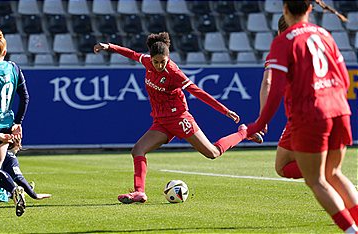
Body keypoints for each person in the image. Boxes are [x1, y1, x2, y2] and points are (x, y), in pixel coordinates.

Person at [94, 32, 263, 204]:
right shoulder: (146, 62)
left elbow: (198, 92)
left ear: (168, 58)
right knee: (138, 150)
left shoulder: (174, 72)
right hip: (161, 121)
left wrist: (225, 110)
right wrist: (109, 46)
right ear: (150, 59)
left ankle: (244, 132)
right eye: (156, 62)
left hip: (178, 118)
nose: (159, 65)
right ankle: (139, 193)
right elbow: (131, 54)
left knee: (212, 153)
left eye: (163, 62)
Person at [247, 1, 358, 233]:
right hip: (339, 109)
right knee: (333, 173)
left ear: (285, 10)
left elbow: (273, 88)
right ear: (310, 9)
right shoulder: (325, 34)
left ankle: (351, 230)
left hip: (311, 114)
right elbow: (345, 80)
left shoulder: (283, 41)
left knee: (317, 180)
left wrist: (261, 122)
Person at [0, 28, 29, 216]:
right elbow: (25, 97)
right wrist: (18, 122)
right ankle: (13, 190)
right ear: (4, 51)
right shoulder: (13, 67)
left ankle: (12, 189)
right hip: (6, 123)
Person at [260, 15, 302, 179]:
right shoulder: (317, 43)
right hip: (333, 109)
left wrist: (263, 117)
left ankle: (324, 169)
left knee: (282, 167)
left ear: (279, 31)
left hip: (303, 115)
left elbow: (267, 84)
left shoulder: (279, 50)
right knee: (326, 170)